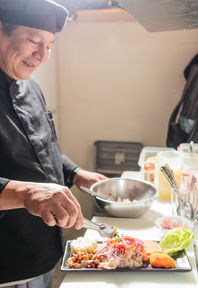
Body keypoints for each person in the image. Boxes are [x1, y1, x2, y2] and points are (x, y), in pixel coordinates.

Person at [0, 0, 107, 287]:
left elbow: (41, 147)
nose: (43, 55)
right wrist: (26, 193)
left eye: (50, 44)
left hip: (46, 253)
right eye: (34, 40)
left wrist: (75, 173)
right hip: (9, 263)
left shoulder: (30, 84)